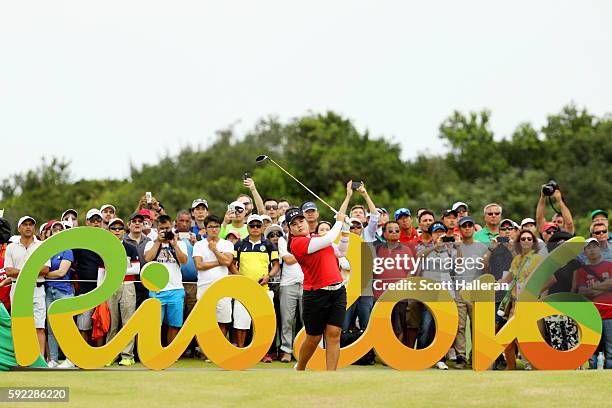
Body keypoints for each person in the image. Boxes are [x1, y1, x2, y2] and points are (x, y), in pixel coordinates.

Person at [287, 206, 350, 371]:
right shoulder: (297, 243)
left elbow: (341, 252)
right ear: (290, 230)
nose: (299, 225)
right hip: (315, 294)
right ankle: (300, 368)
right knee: (313, 338)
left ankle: (331, 375)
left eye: (301, 221)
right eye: (294, 224)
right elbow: (328, 240)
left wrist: (346, 232)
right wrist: (339, 221)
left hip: (337, 291)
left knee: (334, 334)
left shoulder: (317, 237)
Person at [233, 214, 280, 359]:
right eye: (252, 225)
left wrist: (268, 276)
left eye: (258, 226)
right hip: (244, 289)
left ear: (262, 227)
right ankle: (241, 351)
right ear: (247, 227)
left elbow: (276, 264)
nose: (255, 228)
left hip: (263, 289)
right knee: (241, 321)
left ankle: (263, 352)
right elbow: (232, 264)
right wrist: (240, 277)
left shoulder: (268, 245)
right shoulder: (240, 244)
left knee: (263, 322)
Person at [4, 216, 50, 358]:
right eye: (25, 225)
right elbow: (9, 271)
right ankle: (21, 357)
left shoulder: (41, 245)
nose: (28, 227)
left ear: (34, 228)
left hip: (37, 289)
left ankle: (40, 359)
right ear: (19, 228)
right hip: (17, 289)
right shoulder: (11, 247)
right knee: (19, 326)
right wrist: (31, 271)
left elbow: (45, 269)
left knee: (39, 327)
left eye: (31, 224)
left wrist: (21, 272)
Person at [415, 221, 460, 369]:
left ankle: (440, 358)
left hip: (446, 293)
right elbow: (419, 257)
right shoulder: (424, 247)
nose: (439, 234)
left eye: (442, 232)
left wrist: (458, 247)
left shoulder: (450, 249)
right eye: (436, 232)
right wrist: (436, 247)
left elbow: (459, 265)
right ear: (432, 234)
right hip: (429, 292)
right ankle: (421, 356)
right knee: (426, 325)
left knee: (442, 327)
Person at [499, 229, 543, 370]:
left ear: (533, 242)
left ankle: (533, 365)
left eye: (529, 239)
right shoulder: (517, 259)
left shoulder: (537, 259)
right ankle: (511, 367)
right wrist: (494, 283)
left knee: (530, 336)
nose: (525, 241)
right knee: (508, 337)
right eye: (523, 239)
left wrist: (533, 291)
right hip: (514, 303)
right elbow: (509, 279)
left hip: (529, 303)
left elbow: (550, 279)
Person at [144, 215, 188, 345]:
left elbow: (184, 261)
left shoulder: (179, 243)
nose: (164, 231)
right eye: (161, 228)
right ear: (157, 229)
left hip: (176, 289)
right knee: (154, 325)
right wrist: (158, 242)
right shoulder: (150, 243)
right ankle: (154, 351)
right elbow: (147, 259)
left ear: (172, 227)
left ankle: (170, 353)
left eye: (167, 228)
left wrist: (174, 245)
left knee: (175, 325)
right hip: (156, 289)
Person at [105, 218, 141, 366]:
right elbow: (101, 272)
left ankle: (127, 355)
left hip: (127, 285)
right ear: (109, 230)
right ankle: (110, 354)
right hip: (109, 287)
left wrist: (118, 272)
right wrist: (101, 291)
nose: (117, 230)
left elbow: (136, 269)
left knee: (127, 322)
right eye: (114, 228)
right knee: (112, 323)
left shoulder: (130, 247)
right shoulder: (105, 248)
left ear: (124, 231)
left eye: (120, 228)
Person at [192, 215, 234, 337]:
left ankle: (219, 352)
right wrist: (219, 261)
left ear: (220, 228)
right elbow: (199, 265)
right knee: (205, 321)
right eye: (211, 227)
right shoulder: (199, 245)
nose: (214, 229)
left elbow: (227, 262)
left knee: (223, 321)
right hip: (204, 287)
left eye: (216, 226)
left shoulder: (227, 244)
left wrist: (214, 250)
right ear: (205, 229)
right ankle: (206, 351)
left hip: (223, 287)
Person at [454, 216, 487, 368]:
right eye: (464, 226)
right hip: (459, 290)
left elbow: (486, 268)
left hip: (476, 291)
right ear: (460, 229)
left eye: (470, 225)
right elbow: (456, 267)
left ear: (474, 228)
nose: (467, 228)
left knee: (476, 325)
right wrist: (458, 247)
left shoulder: (482, 247)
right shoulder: (454, 246)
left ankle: (476, 354)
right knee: (459, 326)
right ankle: (461, 356)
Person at [575, 238, 612, 369]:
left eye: (594, 246)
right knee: (591, 352)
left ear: (600, 248)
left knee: (611, 351)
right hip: (591, 315)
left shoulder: (609, 265)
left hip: (609, 314)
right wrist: (604, 286)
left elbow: (611, 283)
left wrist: (593, 289)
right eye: (588, 247)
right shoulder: (582, 271)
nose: (592, 250)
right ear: (584, 252)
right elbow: (583, 291)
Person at [43, 221, 74, 368]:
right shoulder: (46, 251)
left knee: (67, 327)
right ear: (49, 233)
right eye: (54, 229)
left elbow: (62, 272)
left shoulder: (67, 250)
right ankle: (53, 360)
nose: (57, 231)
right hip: (49, 291)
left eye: (60, 229)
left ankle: (71, 359)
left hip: (64, 292)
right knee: (51, 327)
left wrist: (44, 275)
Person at [277, 222, 304, 363]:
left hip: (307, 284)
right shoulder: (283, 239)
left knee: (307, 320)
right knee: (287, 320)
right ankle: (287, 350)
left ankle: (304, 351)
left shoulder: (307, 238)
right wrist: (305, 252)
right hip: (288, 284)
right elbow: (287, 260)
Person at [123, 211, 152, 308]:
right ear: (128, 225)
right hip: (127, 283)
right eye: (134, 221)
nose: (137, 223)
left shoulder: (149, 241)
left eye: (140, 221)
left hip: (145, 283)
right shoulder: (122, 240)